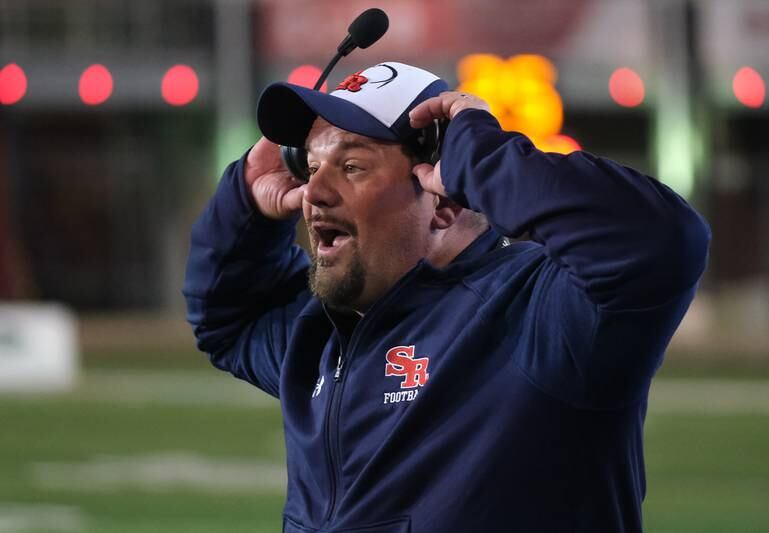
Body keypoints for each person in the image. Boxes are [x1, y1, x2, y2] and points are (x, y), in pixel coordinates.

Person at [183, 61, 710, 532]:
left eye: (351, 167)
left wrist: (483, 160)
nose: (314, 194)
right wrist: (245, 201)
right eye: (312, 166)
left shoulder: (539, 316)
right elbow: (229, 316)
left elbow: (662, 241)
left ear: (442, 203)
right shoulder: (325, 332)